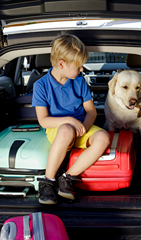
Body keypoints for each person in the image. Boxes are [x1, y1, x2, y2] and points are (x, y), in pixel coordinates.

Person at [32, 33, 110, 204]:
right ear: (62, 64)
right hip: (59, 130)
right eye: (79, 66)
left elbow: (91, 112)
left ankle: (68, 177)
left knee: (103, 137)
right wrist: (71, 122)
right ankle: (48, 181)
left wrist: (82, 126)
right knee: (67, 130)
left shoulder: (80, 81)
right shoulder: (41, 86)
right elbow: (43, 120)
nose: (82, 69)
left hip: (80, 127)